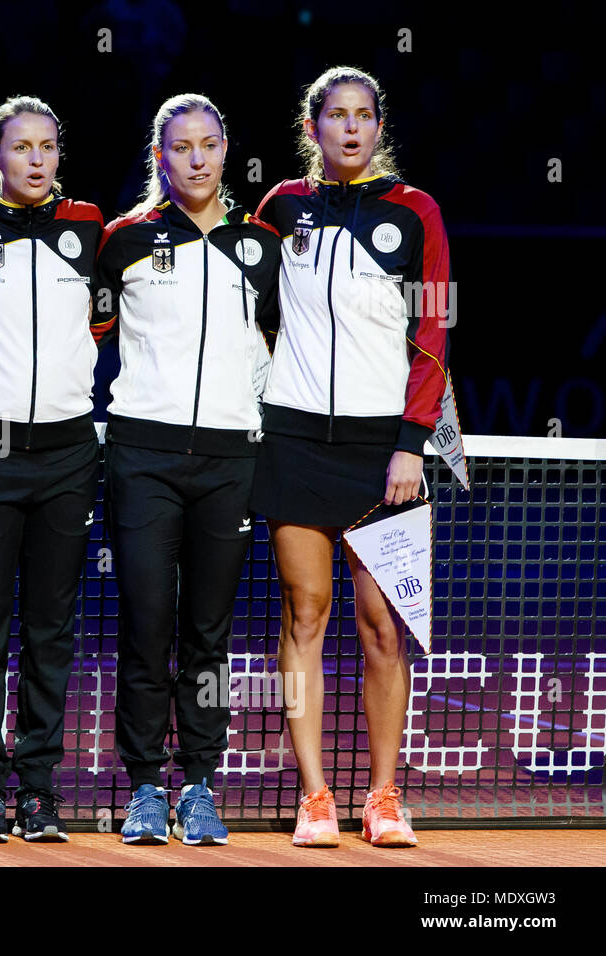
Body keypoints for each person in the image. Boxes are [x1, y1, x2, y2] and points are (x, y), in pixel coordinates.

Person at [251, 66, 451, 848]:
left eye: (364, 116)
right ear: (313, 129)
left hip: (382, 451)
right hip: (296, 439)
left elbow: (434, 334)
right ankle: (315, 798)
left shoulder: (417, 212)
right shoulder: (283, 209)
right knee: (306, 613)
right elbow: (251, 310)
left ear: (378, 127)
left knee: (380, 628)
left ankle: (384, 797)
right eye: (336, 116)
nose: (351, 128)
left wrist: (411, 442)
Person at [92, 94, 280, 846]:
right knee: (146, 626)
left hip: (232, 458)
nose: (196, 159)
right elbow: (81, 335)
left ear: (226, 149)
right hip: (142, 456)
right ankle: (143, 786)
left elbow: (286, 344)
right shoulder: (122, 241)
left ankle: (198, 782)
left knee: (208, 633)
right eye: (180, 147)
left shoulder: (262, 245)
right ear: (159, 156)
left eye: (208, 144)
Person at [0, 96, 103, 843]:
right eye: (20, 147)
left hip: (69, 448)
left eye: (47, 146)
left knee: (51, 627)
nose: (35, 159)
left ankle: (36, 789)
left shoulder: (92, 227)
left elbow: (103, 322)